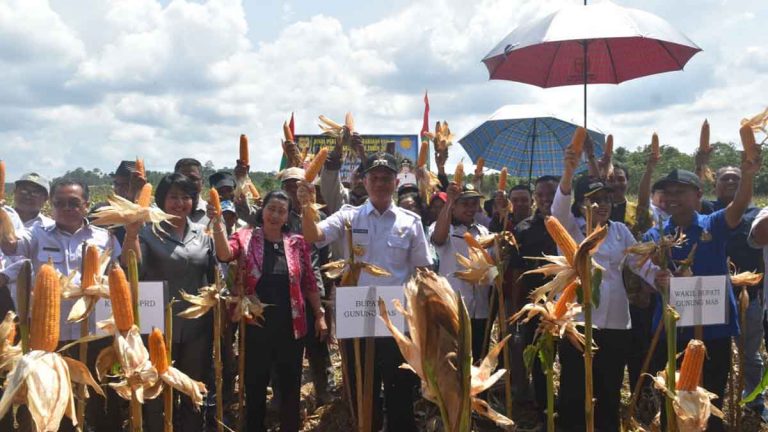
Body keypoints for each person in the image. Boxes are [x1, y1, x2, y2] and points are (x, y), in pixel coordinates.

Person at [300, 152, 432, 432]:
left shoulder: (410, 222)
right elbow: (313, 236)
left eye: (386, 178)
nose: (380, 183)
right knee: (362, 388)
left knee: (398, 388)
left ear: (396, 182)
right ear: (364, 180)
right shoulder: (349, 217)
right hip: (356, 310)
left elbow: (422, 271)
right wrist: (305, 206)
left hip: (396, 317)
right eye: (375, 178)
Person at [0, 178, 121, 432]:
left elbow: (117, 275)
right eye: (60, 203)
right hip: (48, 340)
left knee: (90, 402)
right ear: (51, 207)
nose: (67, 208)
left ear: (86, 205)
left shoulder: (104, 238)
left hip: (90, 335)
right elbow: (10, 246)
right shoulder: (35, 234)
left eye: (74, 203)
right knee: (54, 401)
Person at [553, 147, 660, 432]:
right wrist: (567, 172)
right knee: (575, 390)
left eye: (605, 199)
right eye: (593, 200)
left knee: (609, 389)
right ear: (580, 203)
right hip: (578, 324)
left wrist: (664, 280)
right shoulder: (570, 229)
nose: (602, 205)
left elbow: (640, 263)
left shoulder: (618, 231)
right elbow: (557, 208)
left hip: (615, 324)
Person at [650, 161, 760, 431]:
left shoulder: (713, 224)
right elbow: (644, 271)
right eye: (669, 193)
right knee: (673, 396)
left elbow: (738, 206)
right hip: (674, 329)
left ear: (698, 195)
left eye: (681, 192)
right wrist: (656, 277)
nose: (673, 198)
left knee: (712, 397)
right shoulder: (657, 234)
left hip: (714, 329)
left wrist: (747, 174)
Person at [215, 190, 327, 432]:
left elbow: (309, 283)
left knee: (290, 386)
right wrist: (217, 225)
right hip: (255, 327)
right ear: (262, 210)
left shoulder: (297, 243)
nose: (275, 215)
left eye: (281, 211)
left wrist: (319, 315)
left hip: (291, 327)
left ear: (288, 216)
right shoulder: (245, 238)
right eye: (271, 209)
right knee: (255, 386)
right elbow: (224, 254)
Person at [121, 173, 223, 432]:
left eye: (186, 197)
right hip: (157, 324)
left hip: (196, 324)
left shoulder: (203, 233)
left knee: (192, 387)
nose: (180, 203)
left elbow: (219, 264)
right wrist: (131, 234)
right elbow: (132, 266)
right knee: (157, 388)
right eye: (173, 197)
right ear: (162, 200)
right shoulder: (148, 231)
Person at [702, 166, 766, 420]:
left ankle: (754, 401)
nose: (730, 181)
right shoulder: (706, 210)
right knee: (711, 352)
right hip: (712, 296)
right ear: (714, 183)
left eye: (736, 179)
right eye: (725, 177)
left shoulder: (757, 214)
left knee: (750, 353)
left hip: (747, 294)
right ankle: (709, 401)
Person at [504, 175, 559, 418]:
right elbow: (516, 271)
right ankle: (542, 403)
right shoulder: (523, 229)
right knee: (538, 354)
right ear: (535, 198)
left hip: (566, 301)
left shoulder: (572, 224)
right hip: (535, 303)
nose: (546, 199)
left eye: (552, 194)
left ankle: (565, 399)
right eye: (541, 195)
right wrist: (517, 308)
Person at [429, 182, 491, 362]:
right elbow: (438, 240)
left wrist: (498, 274)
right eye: (465, 204)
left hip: (480, 310)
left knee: (477, 361)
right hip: (452, 309)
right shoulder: (442, 227)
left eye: (474, 203)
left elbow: (490, 266)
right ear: (454, 205)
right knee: (453, 363)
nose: (471, 208)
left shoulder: (483, 231)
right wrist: (448, 203)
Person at [0, 173, 54, 309]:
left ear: (46, 198)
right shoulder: (2, 216)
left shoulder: (51, 228)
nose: (28, 195)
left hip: (34, 302)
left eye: (35, 192)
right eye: (23, 190)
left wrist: (6, 275)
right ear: (14, 192)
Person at [174, 158, 208, 225]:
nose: (187, 183)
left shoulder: (214, 214)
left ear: (202, 182)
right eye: (182, 178)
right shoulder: (161, 215)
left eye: (193, 178)